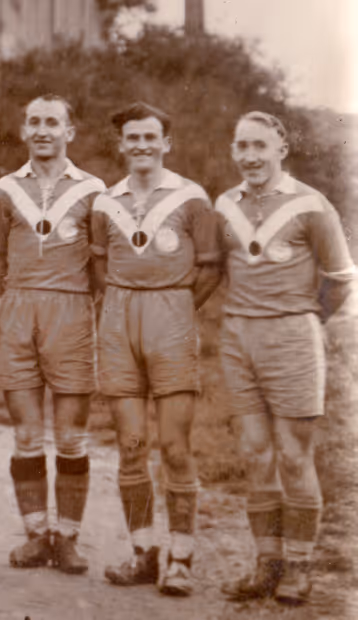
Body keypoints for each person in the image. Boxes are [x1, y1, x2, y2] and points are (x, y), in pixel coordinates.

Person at [215, 111, 355, 606]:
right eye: (242, 146)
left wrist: (302, 319)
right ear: (234, 151)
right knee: (255, 453)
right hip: (238, 337)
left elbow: (339, 279)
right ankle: (265, 563)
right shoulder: (225, 203)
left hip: (293, 337)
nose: (250, 156)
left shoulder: (312, 206)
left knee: (294, 456)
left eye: (260, 146)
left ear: (281, 150)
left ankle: (299, 566)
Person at [91, 102, 220, 596]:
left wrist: (178, 308)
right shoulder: (106, 201)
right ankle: (144, 552)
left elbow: (210, 269)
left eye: (151, 137)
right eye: (132, 137)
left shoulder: (192, 198)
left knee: (174, 446)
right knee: (131, 446)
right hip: (119, 318)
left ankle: (181, 557)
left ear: (166, 142)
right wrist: (121, 302)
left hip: (171, 318)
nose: (142, 145)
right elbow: (99, 266)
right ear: (121, 144)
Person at [0, 94, 105, 574]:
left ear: (69, 131)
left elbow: (101, 263)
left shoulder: (93, 189)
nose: (42, 130)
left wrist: (86, 305)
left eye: (52, 122)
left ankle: (68, 537)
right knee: (27, 434)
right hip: (19, 310)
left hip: (72, 312)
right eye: (33, 121)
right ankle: (37, 534)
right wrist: (2, 304)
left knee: (72, 436)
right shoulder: (4, 189)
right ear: (23, 131)